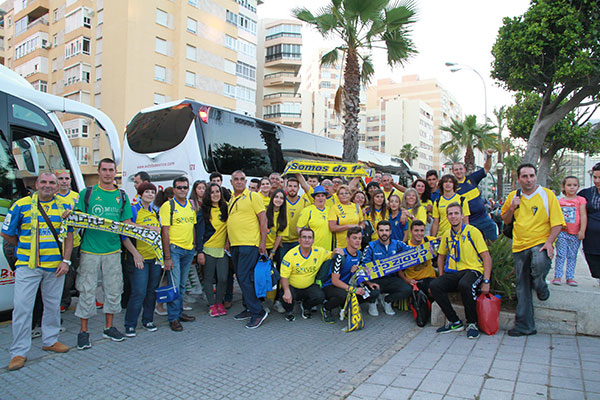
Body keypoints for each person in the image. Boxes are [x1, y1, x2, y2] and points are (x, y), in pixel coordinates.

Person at [2, 173, 74, 371]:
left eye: (52, 182)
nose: (48, 186)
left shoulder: (64, 208)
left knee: (52, 305)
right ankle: (18, 352)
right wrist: (24, 248)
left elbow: (69, 236)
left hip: (55, 267)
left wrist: (66, 260)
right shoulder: (20, 205)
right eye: (44, 182)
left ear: (57, 185)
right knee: (22, 308)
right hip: (28, 266)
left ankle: (50, 340)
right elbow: (7, 232)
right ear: (36, 185)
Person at [74, 158, 133, 349]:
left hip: (113, 251)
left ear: (115, 172)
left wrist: (148, 228)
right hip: (89, 250)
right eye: (104, 169)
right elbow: (77, 218)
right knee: (86, 290)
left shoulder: (121, 196)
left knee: (114, 290)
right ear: (98, 171)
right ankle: (83, 332)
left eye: (111, 170)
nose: (108, 173)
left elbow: (127, 225)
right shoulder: (87, 194)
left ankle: (109, 327)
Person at [501, 163, 565, 337]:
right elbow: (506, 220)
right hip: (519, 246)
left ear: (536, 176)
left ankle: (541, 286)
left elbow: (558, 223)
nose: (529, 179)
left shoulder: (548, 195)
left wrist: (550, 243)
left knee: (538, 264)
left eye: (531, 176)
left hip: (541, 243)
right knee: (522, 287)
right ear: (519, 179)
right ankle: (525, 326)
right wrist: (513, 207)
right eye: (525, 176)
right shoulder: (514, 196)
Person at [430, 203, 492, 339]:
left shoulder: (472, 231)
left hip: (473, 270)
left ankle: (472, 323)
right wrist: (441, 276)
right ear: (446, 217)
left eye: (456, 213)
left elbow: (486, 256)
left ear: (462, 215)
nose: (453, 216)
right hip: (454, 272)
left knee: (465, 284)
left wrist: (486, 280)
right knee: (435, 285)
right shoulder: (447, 234)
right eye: (450, 214)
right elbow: (441, 256)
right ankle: (455, 321)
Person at [227, 170, 269, 329]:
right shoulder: (232, 199)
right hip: (235, 245)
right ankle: (249, 307)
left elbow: (263, 219)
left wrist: (262, 242)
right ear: (231, 182)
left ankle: (258, 312)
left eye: (242, 179)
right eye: (235, 179)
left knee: (244, 277)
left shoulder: (253, 196)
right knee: (243, 277)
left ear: (245, 181)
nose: (239, 181)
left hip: (249, 243)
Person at [159, 176, 197, 332]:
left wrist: (194, 245)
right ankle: (173, 318)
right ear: (174, 189)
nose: (182, 190)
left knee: (182, 284)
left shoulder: (190, 205)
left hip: (188, 250)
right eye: (179, 187)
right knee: (174, 285)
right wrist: (167, 257)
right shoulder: (168, 206)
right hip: (174, 249)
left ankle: (179, 312)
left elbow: (193, 227)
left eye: (185, 187)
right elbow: (165, 232)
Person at [124, 182, 161, 337]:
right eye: (147, 192)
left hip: (155, 258)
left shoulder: (155, 211)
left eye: (152, 192)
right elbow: (125, 235)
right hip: (140, 258)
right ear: (140, 194)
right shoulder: (133, 210)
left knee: (152, 291)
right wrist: (135, 254)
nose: (150, 195)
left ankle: (148, 320)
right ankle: (130, 324)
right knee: (139, 292)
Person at [321, 227, 380, 323]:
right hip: (331, 286)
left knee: (373, 292)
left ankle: (346, 305)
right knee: (345, 294)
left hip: (348, 285)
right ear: (347, 239)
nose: (358, 241)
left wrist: (368, 283)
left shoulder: (360, 254)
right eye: (354, 238)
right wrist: (354, 289)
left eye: (360, 238)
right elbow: (334, 281)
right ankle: (326, 308)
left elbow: (358, 275)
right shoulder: (341, 256)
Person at [361, 221, 413, 316]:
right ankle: (372, 303)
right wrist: (369, 282)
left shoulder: (398, 244)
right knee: (372, 292)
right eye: (381, 230)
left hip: (392, 278)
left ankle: (387, 300)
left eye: (386, 230)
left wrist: (432, 244)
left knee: (407, 289)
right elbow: (364, 266)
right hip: (376, 280)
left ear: (390, 232)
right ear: (377, 232)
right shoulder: (371, 246)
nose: (384, 233)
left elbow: (413, 251)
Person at [280, 228, 332, 321]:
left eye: (309, 237)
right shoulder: (290, 255)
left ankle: (306, 306)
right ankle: (289, 310)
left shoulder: (319, 252)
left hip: (309, 286)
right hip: (292, 287)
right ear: (299, 240)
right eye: (304, 237)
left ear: (313, 240)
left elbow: (332, 255)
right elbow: (284, 276)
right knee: (284, 294)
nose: (307, 240)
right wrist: (286, 290)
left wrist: (339, 251)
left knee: (320, 296)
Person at [197, 183, 229, 317]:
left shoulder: (225, 208)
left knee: (222, 278)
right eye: (212, 192)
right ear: (208, 195)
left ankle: (219, 302)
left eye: (217, 191)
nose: (215, 194)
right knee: (209, 278)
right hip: (208, 249)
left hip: (223, 250)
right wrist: (199, 251)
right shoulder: (203, 211)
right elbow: (199, 233)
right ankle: (212, 304)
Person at [452, 152, 498, 240]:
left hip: (483, 217)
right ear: (453, 172)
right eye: (456, 170)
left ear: (464, 170)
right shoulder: (452, 186)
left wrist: (488, 156)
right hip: (469, 221)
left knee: (492, 229)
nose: (459, 171)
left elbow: (486, 168)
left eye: (460, 169)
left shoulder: (472, 178)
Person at [553, 176, 587, 286]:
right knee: (561, 254)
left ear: (578, 187)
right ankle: (558, 276)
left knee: (572, 255)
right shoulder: (559, 201)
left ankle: (570, 277)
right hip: (562, 233)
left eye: (574, 185)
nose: (572, 187)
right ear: (564, 187)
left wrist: (582, 230)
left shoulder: (580, 200)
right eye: (569, 185)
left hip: (575, 233)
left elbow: (583, 215)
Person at [55, 169, 80, 313]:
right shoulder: (52, 197)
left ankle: (84, 298)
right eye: (61, 179)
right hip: (57, 243)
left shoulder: (77, 197)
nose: (64, 181)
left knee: (75, 272)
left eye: (66, 178)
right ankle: (64, 301)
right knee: (62, 274)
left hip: (75, 242)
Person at [398, 220, 437, 295]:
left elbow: (444, 241)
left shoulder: (428, 240)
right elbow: (398, 268)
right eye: (416, 231)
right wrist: (406, 280)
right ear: (411, 232)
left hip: (429, 278)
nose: (419, 233)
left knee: (435, 291)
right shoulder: (404, 247)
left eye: (422, 231)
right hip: (413, 281)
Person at [578, 162, 600, 287]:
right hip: (590, 240)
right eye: (595, 177)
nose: (597, 181)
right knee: (595, 266)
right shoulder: (586, 194)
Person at [297, 186, 333, 251]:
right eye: (318, 196)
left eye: (323, 196)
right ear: (314, 198)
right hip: (312, 249)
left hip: (327, 249)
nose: (320, 198)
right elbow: (299, 228)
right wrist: (305, 242)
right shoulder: (307, 210)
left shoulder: (330, 210)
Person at [281, 177, 310, 256]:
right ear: (286, 187)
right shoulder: (281, 202)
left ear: (298, 188)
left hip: (298, 240)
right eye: (290, 186)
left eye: (295, 186)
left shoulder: (305, 202)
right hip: (283, 241)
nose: (292, 189)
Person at [266, 189, 289, 263]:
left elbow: (280, 236)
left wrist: (273, 252)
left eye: (281, 198)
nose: (278, 200)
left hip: (273, 247)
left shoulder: (284, 216)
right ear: (272, 198)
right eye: (276, 197)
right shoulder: (264, 211)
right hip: (260, 246)